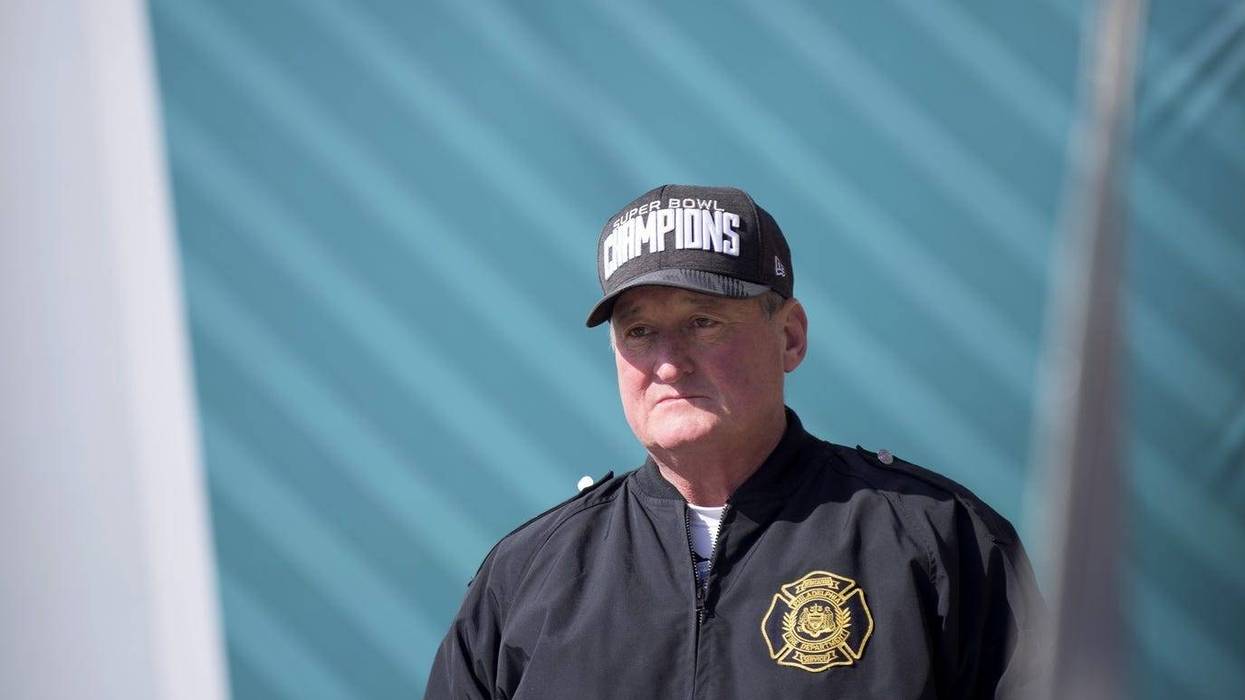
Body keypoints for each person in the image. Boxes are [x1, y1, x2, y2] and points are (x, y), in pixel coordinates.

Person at [424, 185, 1045, 699]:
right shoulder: (527, 576)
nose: (669, 363)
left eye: (702, 321)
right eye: (639, 331)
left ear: (791, 337)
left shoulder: (940, 543)